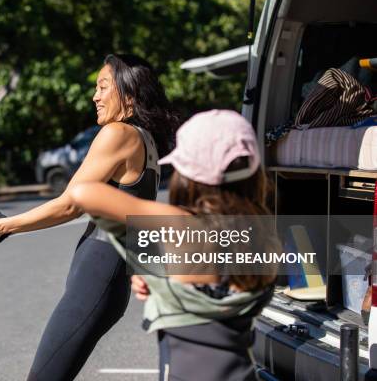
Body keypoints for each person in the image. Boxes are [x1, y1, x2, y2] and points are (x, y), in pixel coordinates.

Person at [0, 54, 180, 380]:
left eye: (103, 87)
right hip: (109, 274)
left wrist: (2, 225)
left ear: (129, 95)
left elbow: (70, 204)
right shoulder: (145, 138)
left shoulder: (119, 134)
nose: (95, 96)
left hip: (98, 272)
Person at [68, 109, 278, 381]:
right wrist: (155, 274)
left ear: (189, 175)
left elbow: (82, 192)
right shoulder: (264, 236)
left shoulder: (180, 228)